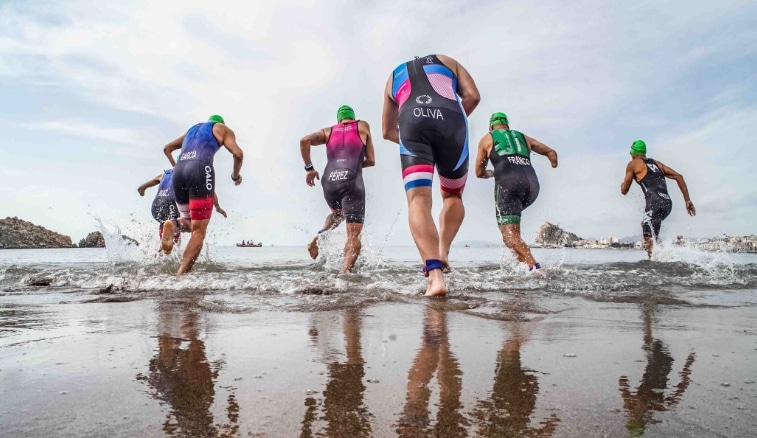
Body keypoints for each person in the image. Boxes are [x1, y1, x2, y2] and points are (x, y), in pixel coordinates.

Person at [382, 54, 480, 297]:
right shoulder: (449, 61)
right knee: (453, 195)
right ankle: (443, 251)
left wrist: (418, 144)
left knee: (418, 200)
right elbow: (472, 96)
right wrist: (447, 131)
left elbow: (386, 130)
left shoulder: (393, 75)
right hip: (451, 119)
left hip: (411, 122)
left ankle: (435, 278)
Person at [474, 112, 557, 277]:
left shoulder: (487, 138)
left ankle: (535, 268)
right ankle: (524, 268)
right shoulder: (523, 137)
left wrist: (491, 173)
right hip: (532, 186)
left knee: (510, 235)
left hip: (508, 185)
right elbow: (551, 152)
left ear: (491, 126)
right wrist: (553, 163)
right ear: (507, 125)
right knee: (510, 234)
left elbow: (478, 172)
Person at [163, 115, 243, 274]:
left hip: (178, 172)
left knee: (189, 221)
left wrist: (178, 168)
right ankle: (181, 274)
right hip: (200, 169)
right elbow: (238, 154)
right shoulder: (221, 128)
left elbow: (167, 148)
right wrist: (235, 175)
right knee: (199, 230)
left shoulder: (191, 131)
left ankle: (174, 224)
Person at [300, 105, 375, 274]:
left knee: (339, 214)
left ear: (339, 119)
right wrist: (351, 166)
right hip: (351, 180)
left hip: (329, 180)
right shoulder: (362, 125)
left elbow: (304, 140)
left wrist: (310, 169)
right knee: (353, 236)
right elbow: (371, 160)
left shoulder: (328, 131)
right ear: (352, 117)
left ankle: (321, 234)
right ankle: (343, 275)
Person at [621, 140, 696, 258]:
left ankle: (656, 264)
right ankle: (664, 255)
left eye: (631, 154)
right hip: (667, 204)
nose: (631, 157)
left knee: (649, 244)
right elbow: (678, 176)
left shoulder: (633, 164)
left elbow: (624, 191)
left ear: (634, 153)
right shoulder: (658, 164)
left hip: (654, 203)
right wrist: (687, 200)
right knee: (649, 230)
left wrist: (622, 185)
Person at [137, 170, 227, 254]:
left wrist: (142, 190)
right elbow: (210, 190)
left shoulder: (166, 173)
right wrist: (217, 207)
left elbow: (141, 188)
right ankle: (172, 250)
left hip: (156, 206)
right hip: (174, 202)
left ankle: (160, 253)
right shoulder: (191, 172)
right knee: (187, 225)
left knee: (165, 224)